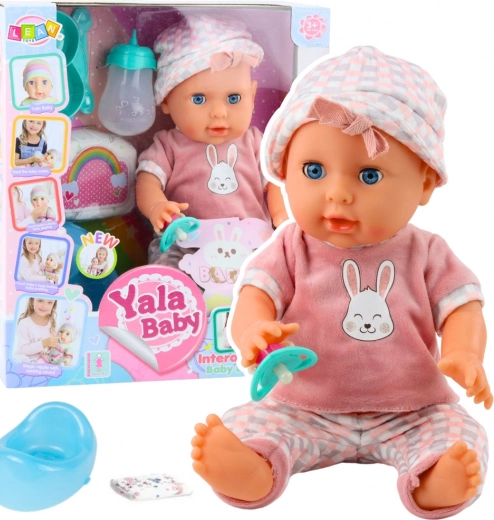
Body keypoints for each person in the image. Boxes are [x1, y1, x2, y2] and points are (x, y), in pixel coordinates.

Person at [191, 46, 491, 518]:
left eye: (368, 175)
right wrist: (253, 331)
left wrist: (464, 353)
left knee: (462, 434)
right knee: (250, 422)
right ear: (285, 171)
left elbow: (462, 308)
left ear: (425, 182)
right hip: (303, 407)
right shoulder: (291, 246)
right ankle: (253, 466)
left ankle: (435, 478)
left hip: (413, 410)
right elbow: (255, 293)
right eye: (313, 171)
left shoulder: (427, 252)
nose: (337, 193)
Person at [136, 15, 287, 267]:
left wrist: (281, 214)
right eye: (199, 99)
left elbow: (274, 182)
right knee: (167, 272)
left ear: (251, 95)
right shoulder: (168, 145)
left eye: (234, 98)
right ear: (166, 100)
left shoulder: (255, 142)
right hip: (185, 242)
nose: (219, 112)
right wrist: (156, 206)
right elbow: (147, 179)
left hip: (249, 242)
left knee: (269, 272)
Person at [15, 298, 58, 363]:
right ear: (32, 301)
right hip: (27, 361)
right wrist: (43, 343)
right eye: (40, 301)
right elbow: (23, 349)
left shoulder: (52, 323)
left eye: (49, 302)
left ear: (53, 305)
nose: (44, 306)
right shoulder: (24, 323)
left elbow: (53, 347)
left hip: (45, 361)